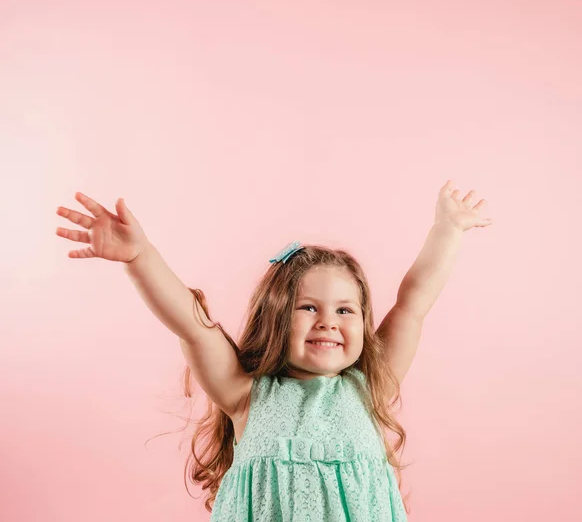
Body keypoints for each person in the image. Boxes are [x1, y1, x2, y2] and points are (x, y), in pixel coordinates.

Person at [55, 180, 492, 521]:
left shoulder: (368, 387)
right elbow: (193, 327)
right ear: (277, 318)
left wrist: (447, 229)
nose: (328, 322)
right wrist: (140, 256)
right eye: (308, 307)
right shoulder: (246, 395)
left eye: (345, 310)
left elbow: (413, 304)